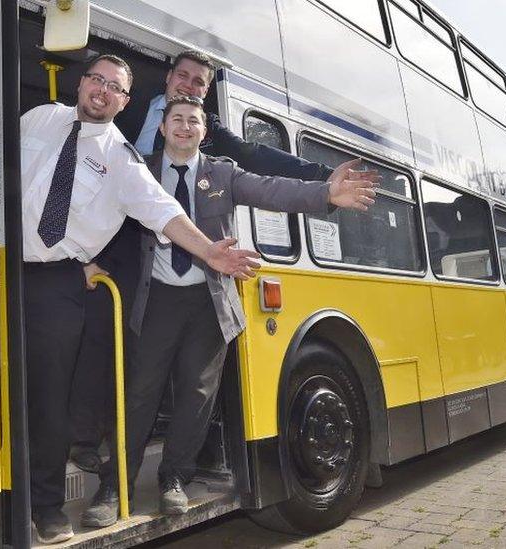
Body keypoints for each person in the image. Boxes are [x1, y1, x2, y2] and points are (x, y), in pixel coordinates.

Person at [81, 96, 379, 527]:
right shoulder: (138, 168)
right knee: (139, 393)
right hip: (155, 298)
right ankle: (114, 485)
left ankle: (174, 479)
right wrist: (83, 256)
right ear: (162, 129)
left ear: (204, 131)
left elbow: (272, 189)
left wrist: (326, 194)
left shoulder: (222, 172)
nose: (185, 127)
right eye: (177, 120)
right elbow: (96, 210)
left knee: (197, 396)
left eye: (194, 122)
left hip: (209, 300)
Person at [20, 55, 261, 544]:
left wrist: (210, 251)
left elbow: (163, 212)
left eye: (115, 88)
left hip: (58, 282)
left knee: (49, 396)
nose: (102, 91)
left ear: (125, 102)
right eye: (97, 80)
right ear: (82, 83)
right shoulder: (40, 118)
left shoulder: (123, 160)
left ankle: (45, 504)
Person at [68, 48, 336, 472]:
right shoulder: (129, 125)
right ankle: (103, 465)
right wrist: (81, 255)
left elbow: (266, 175)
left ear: (204, 118)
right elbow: (87, 189)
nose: (188, 93)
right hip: (129, 260)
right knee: (122, 367)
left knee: (197, 390)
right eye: (184, 79)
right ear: (168, 83)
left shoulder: (218, 159)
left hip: (200, 287)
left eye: (199, 88)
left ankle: (181, 473)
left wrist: (323, 181)